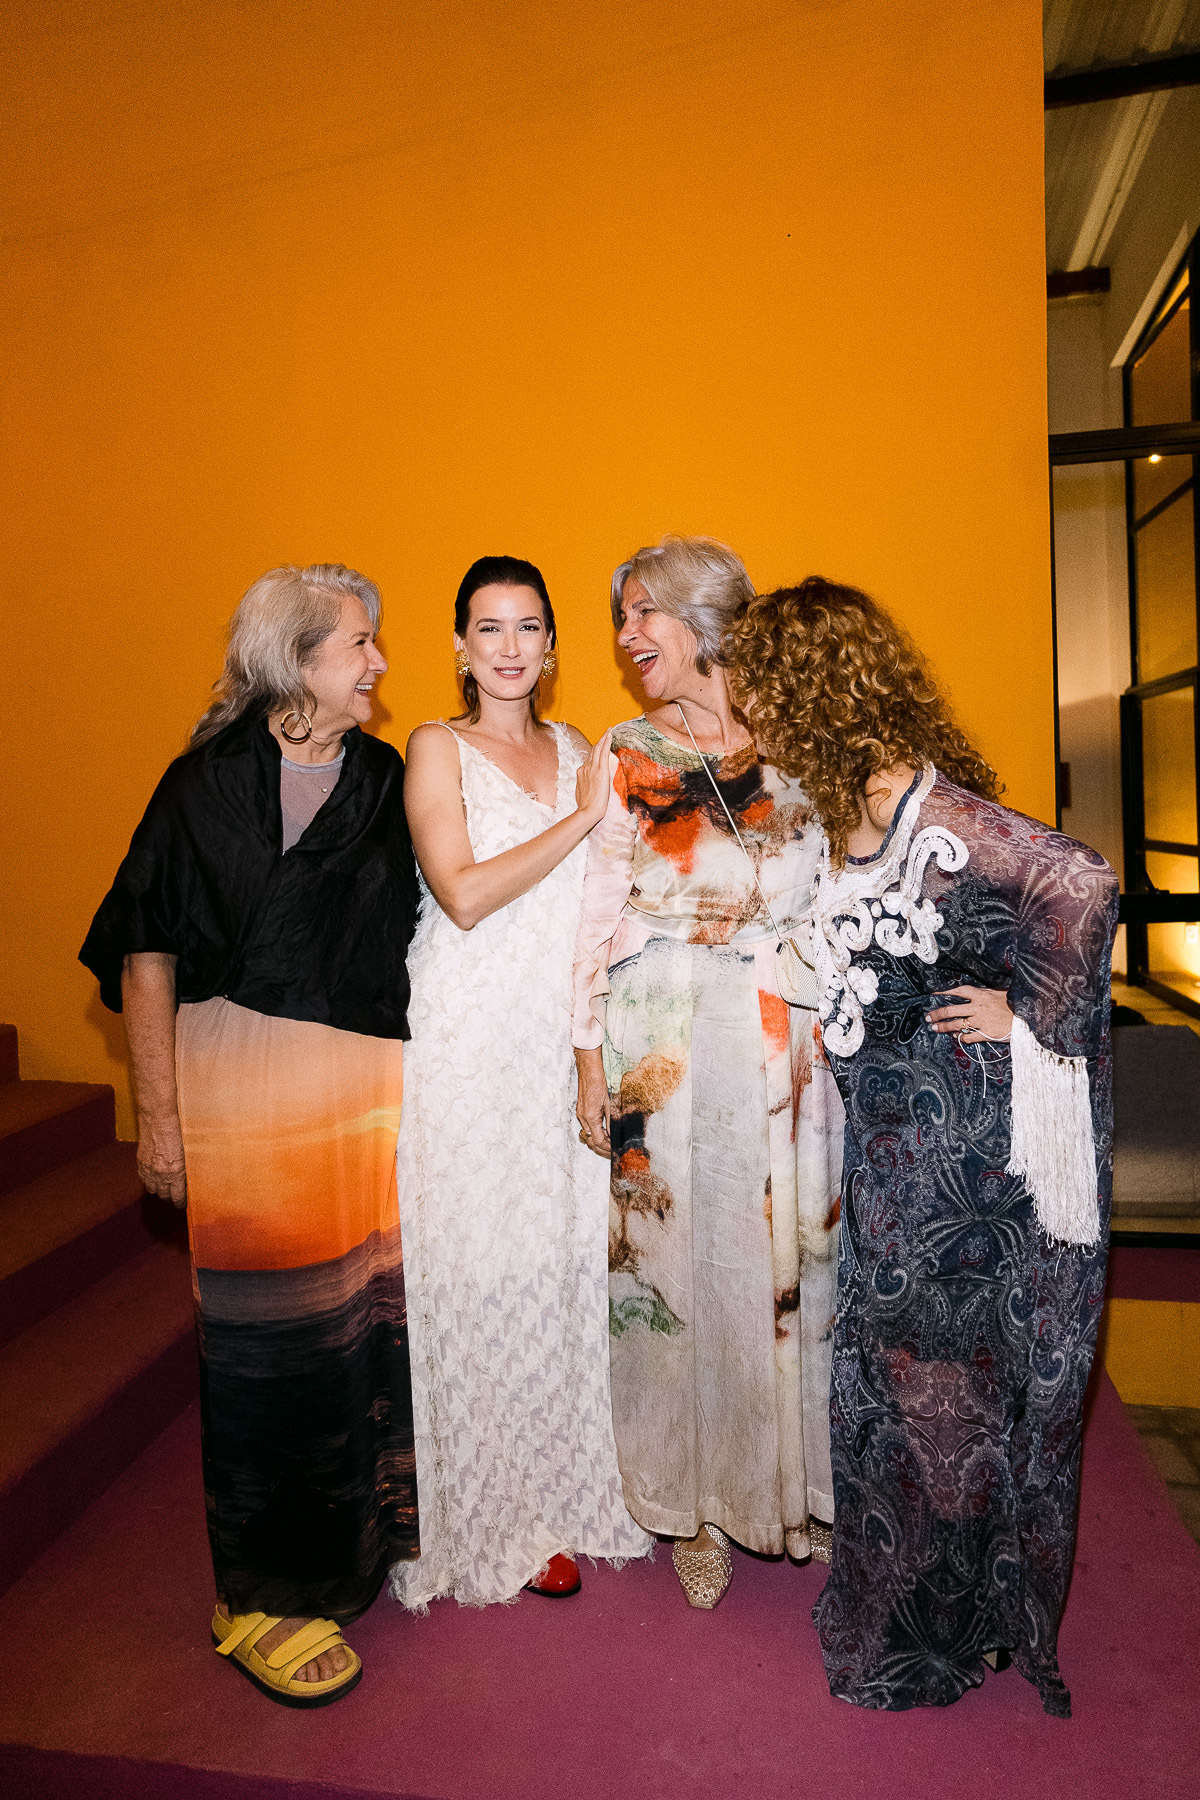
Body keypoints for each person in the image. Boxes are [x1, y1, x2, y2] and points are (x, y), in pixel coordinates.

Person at [726, 576, 1119, 1717]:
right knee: (904, 1391)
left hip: (969, 1160)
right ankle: (923, 1607)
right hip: (895, 1158)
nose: (747, 709)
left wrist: (1033, 1018)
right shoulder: (843, 805)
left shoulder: (934, 818)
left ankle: (953, 1627)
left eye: (761, 688)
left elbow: (1081, 881)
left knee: (950, 1397)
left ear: (813, 690)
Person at [80, 563, 419, 1708]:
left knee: (362, 1329)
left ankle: (358, 1547)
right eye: (359, 643)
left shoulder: (384, 780)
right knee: (267, 1351)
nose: (379, 663)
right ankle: (258, 1594)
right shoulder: (203, 787)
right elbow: (145, 951)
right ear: (296, 659)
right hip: (244, 1099)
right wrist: (159, 1122)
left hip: (366, 1098)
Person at [572, 535, 844, 1611]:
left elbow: (850, 887)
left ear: (704, 622)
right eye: (622, 617)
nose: (626, 635)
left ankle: (790, 1487)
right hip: (665, 1045)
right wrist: (586, 1062)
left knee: (786, 1265)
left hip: (787, 1043)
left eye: (644, 611)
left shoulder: (802, 740)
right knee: (676, 1276)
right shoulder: (626, 753)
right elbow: (591, 920)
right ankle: (691, 1505)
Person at [389, 555, 651, 1611]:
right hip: (464, 1039)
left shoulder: (583, 748)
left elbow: (607, 904)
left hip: (555, 1040)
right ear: (460, 646)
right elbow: (459, 892)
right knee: (472, 1260)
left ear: (551, 645)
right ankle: (487, 1508)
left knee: (556, 1255)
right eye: (488, 628)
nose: (509, 647)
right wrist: (583, 820)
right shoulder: (434, 747)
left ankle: (561, 1483)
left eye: (528, 627)